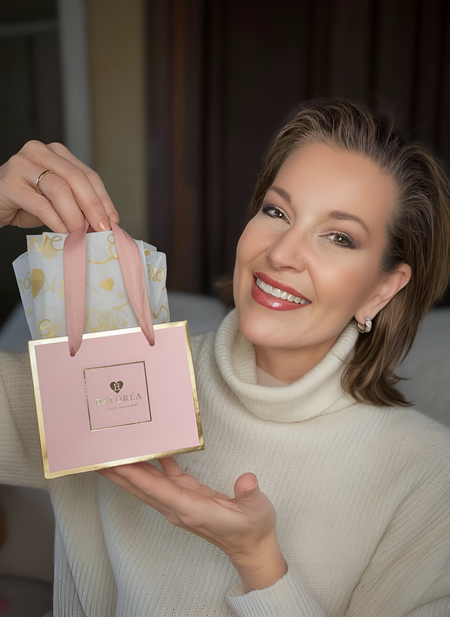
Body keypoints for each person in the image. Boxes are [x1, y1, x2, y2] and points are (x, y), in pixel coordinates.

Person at [0, 99, 450, 617]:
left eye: (339, 237)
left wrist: (259, 563)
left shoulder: (427, 475)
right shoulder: (117, 373)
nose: (280, 253)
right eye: (276, 212)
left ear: (383, 288)